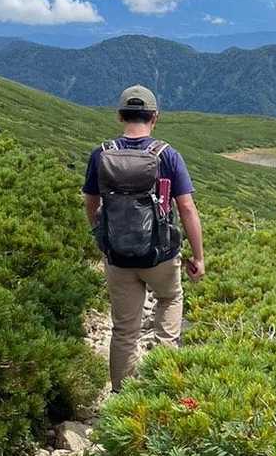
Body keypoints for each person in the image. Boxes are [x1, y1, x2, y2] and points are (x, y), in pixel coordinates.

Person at [83, 85, 205, 391]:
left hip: (118, 256)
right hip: (160, 255)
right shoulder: (167, 155)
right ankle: (162, 387)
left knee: (125, 330)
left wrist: (103, 237)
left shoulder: (101, 154)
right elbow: (186, 208)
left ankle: (123, 398)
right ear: (155, 116)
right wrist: (198, 257)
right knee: (169, 299)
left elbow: (91, 202)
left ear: (120, 116)